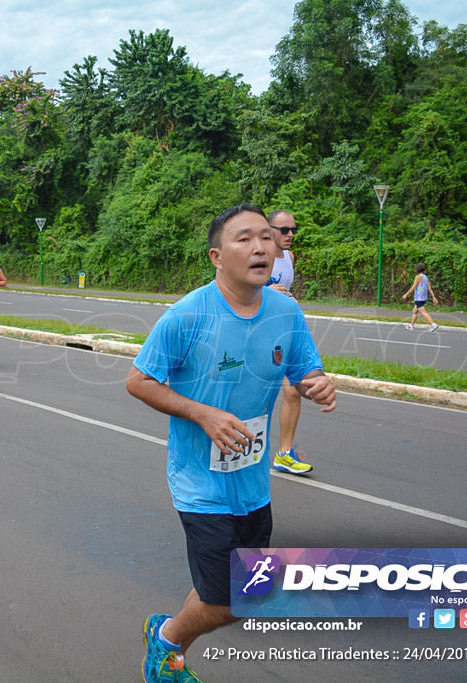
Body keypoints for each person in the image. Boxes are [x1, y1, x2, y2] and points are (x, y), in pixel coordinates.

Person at [125, 204, 336, 682]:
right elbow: (139, 381)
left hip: (253, 482)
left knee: (238, 592)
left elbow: (305, 368)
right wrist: (204, 414)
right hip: (199, 481)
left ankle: (169, 643)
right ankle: (166, 641)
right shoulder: (186, 315)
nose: (261, 246)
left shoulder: (286, 310)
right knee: (228, 601)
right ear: (217, 256)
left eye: (267, 236)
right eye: (245, 239)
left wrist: (317, 383)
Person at [265, 210, 313, 476]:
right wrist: (265, 291)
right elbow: (239, 289)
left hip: (285, 332)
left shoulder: (289, 258)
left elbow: (286, 291)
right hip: (260, 334)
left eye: (293, 229)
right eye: (284, 230)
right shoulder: (260, 256)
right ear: (269, 228)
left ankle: (284, 454)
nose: (290, 234)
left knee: (294, 391)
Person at [401, 263, 439, 331]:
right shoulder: (425, 277)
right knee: (415, 311)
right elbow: (429, 287)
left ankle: (433, 324)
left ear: (417, 270)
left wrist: (406, 294)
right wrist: (433, 297)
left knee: (423, 312)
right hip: (424, 297)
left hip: (419, 298)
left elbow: (413, 287)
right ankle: (411, 325)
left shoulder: (418, 277)